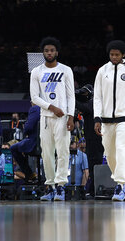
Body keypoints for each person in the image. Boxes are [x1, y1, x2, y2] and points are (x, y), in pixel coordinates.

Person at [93, 40, 125, 201]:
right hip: (106, 119)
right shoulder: (102, 70)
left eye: (117, 54)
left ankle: (121, 185)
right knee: (109, 154)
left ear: (123, 55)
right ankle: (121, 181)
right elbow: (97, 97)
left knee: (122, 149)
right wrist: (97, 117)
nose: (114, 57)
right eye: (111, 54)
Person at [30, 36, 75, 201]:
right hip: (46, 117)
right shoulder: (37, 71)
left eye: (52, 50)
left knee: (63, 152)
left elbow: (71, 96)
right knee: (47, 153)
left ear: (57, 52)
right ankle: (50, 186)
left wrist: (71, 116)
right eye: (46, 50)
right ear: (43, 52)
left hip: (63, 118)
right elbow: (34, 97)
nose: (49, 53)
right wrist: (51, 107)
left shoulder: (66, 70)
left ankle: (61, 186)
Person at [10, 103, 40, 183]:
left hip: (35, 143)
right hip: (50, 143)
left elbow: (29, 127)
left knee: (13, 148)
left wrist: (25, 127)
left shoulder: (35, 109)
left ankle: (29, 174)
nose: (30, 102)